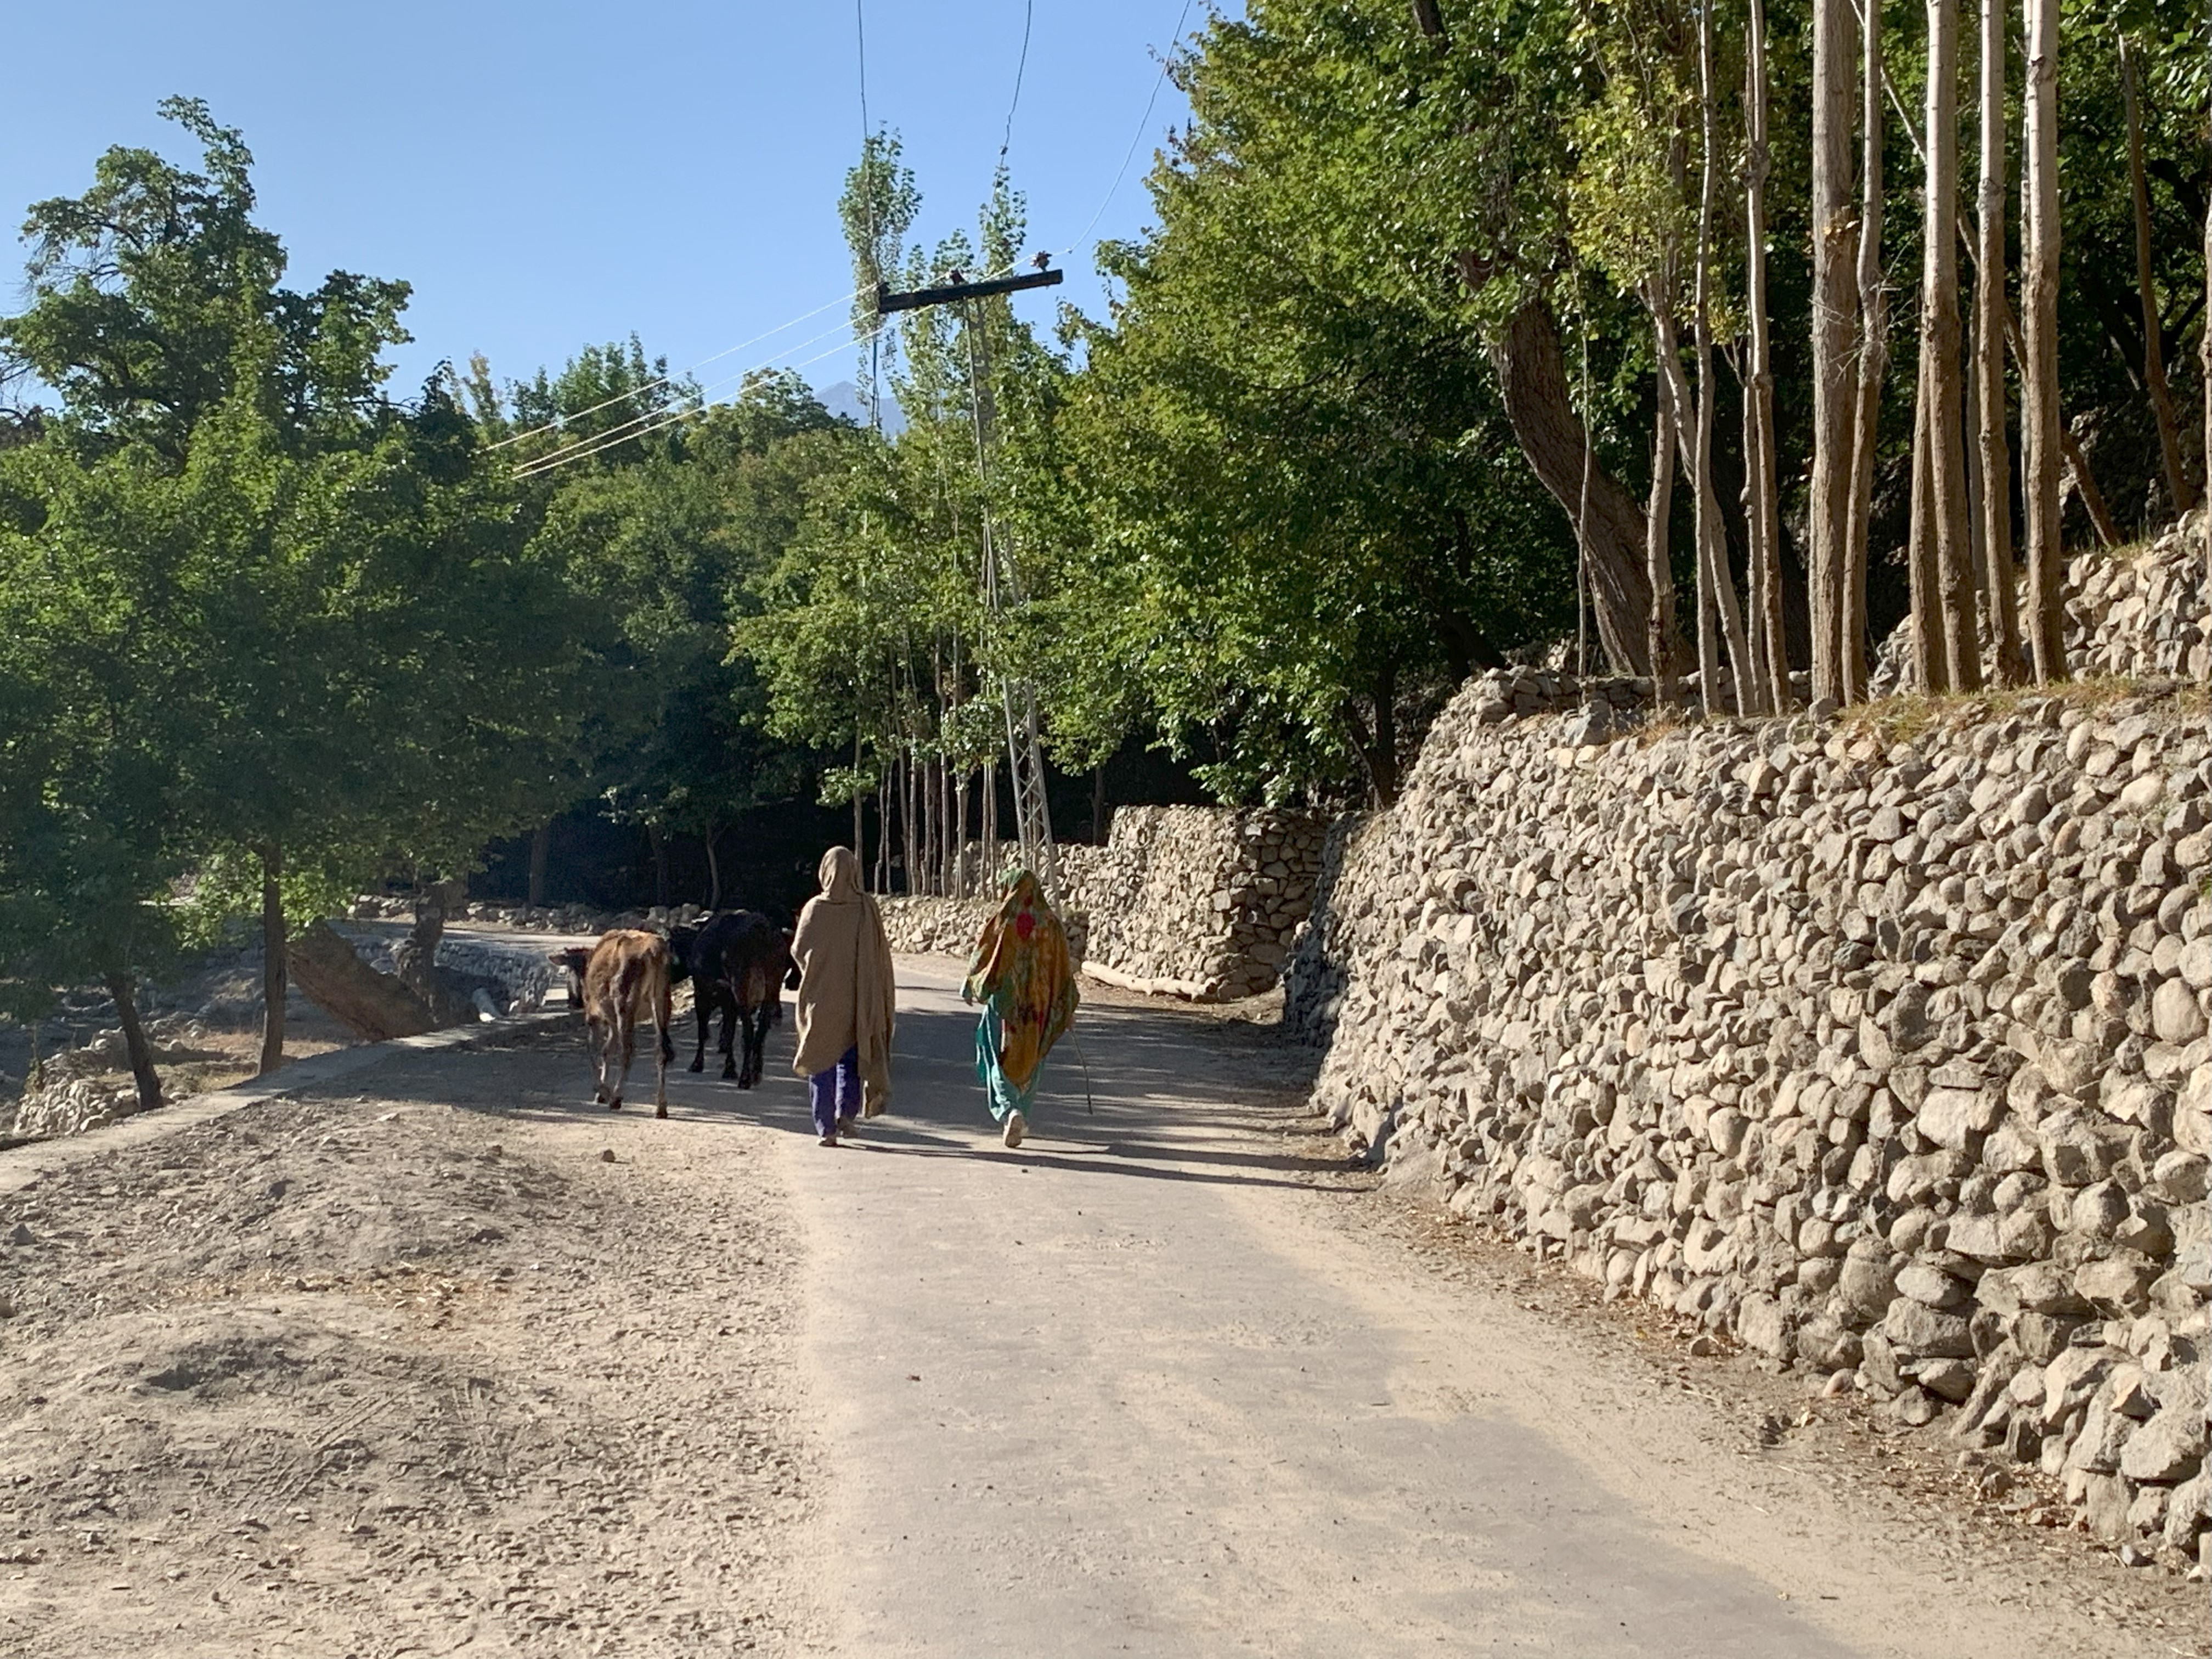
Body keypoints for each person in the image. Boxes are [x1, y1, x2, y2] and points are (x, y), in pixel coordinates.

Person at [962, 868, 1079, 1148]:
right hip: (1038, 1010)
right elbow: (1063, 972)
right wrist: (1067, 1009)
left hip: (1005, 1006)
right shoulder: (1051, 924)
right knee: (1032, 1058)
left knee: (995, 1059)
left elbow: (983, 957)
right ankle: (1021, 1115)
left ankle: (1009, 1111)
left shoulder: (1005, 921)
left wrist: (971, 987)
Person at [790, 846, 896, 1146]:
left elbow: (798, 950)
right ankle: (845, 1113)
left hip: (820, 1001)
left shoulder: (814, 908)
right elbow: (880, 955)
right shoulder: (866, 907)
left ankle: (826, 1129)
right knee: (851, 1059)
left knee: (820, 1059)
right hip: (858, 1002)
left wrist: (818, 969)